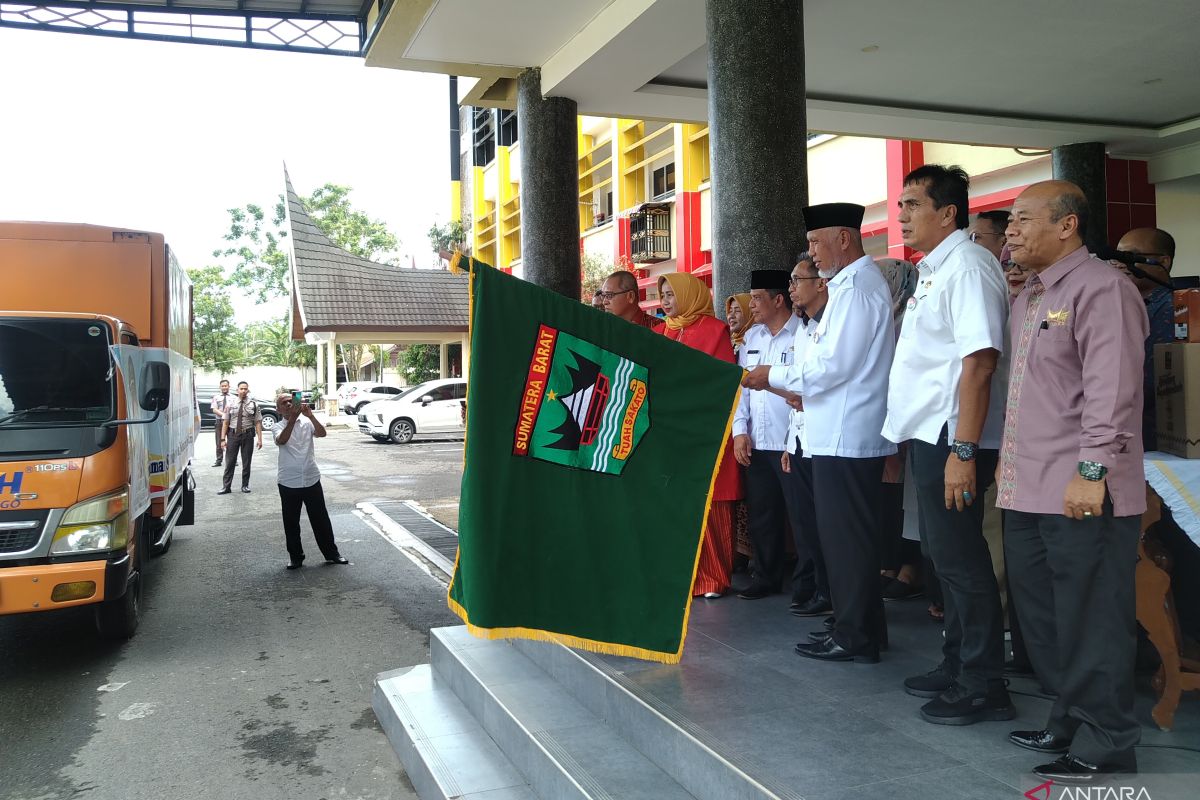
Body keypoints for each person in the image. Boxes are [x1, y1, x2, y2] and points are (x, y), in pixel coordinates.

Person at [999, 180, 1146, 784]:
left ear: (1067, 226)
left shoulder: (1103, 288)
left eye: (1023, 218)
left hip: (1081, 490)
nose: (1010, 229)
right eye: (1008, 219)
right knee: (1045, 617)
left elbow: (1111, 390)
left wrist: (1092, 471)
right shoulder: (1030, 294)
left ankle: (1109, 736)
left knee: (1093, 615)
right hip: (1026, 486)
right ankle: (1067, 717)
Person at [883, 164, 1013, 726]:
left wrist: (964, 451)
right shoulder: (934, 269)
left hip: (955, 438)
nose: (902, 216)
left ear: (948, 213)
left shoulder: (969, 267)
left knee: (962, 561)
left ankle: (984, 683)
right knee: (944, 557)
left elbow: (979, 363)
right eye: (902, 205)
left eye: (913, 205)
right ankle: (958, 661)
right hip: (932, 435)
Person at [744, 202, 896, 663]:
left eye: (815, 242)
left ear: (844, 239)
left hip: (848, 433)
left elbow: (832, 366)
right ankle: (859, 627)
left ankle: (856, 635)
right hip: (833, 431)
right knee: (843, 538)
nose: (811, 251)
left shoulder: (857, 290)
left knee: (849, 539)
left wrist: (773, 375)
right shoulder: (849, 288)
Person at [658, 272, 743, 598]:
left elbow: (723, 381)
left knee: (712, 506)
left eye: (670, 294)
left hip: (706, 431)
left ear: (690, 294)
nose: (665, 301)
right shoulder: (662, 331)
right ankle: (684, 577)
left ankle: (714, 579)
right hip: (672, 434)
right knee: (678, 507)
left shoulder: (715, 330)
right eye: (662, 295)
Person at [733, 270, 809, 604]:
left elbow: (805, 388)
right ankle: (766, 576)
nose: (752, 305)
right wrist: (739, 432)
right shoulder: (752, 339)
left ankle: (809, 584)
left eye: (758, 298)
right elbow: (741, 389)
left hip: (792, 440)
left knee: (802, 514)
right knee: (762, 513)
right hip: (757, 440)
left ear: (779, 299)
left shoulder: (803, 335)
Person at [779, 254, 832, 619]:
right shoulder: (804, 325)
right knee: (807, 525)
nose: (792, 288)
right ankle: (821, 590)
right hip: (800, 439)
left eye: (798, 280)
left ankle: (832, 596)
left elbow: (825, 376)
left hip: (826, 439)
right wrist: (787, 442)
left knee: (828, 527)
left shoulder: (832, 322)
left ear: (821, 284)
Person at [874, 258, 925, 603]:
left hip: (911, 424)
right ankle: (889, 563)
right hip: (885, 421)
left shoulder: (911, 317)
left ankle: (911, 568)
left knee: (911, 500)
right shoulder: (884, 317)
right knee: (889, 499)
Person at [1111, 227, 1176, 452]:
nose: (1120, 263)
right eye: (1118, 255)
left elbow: (1152, 381)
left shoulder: (1177, 309)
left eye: (1130, 256)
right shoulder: (1117, 306)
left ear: (1163, 262)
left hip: (1157, 440)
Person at [272, 393, 349, 569]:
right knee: (291, 522)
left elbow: (322, 433)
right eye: (284, 403)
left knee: (321, 519)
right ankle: (296, 557)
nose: (289, 404)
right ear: (278, 409)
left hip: (311, 478)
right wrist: (292, 420)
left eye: (292, 401)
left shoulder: (307, 422)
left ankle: (332, 553)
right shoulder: (277, 426)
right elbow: (281, 440)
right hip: (288, 481)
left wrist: (311, 416)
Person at [219, 381, 262, 495]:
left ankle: (245, 485)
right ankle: (226, 487)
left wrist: (260, 439)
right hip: (233, 435)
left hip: (248, 435)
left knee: (247, 462)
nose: (243, 390)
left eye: (245, 389)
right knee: (230, 462)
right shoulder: (230, 404)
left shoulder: (254, 404)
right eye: (241, 388)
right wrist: (223, 439)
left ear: (248, 390)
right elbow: (225, 422)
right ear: (237, 390)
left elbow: (257, 422)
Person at [210, 379, 233, 467]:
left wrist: (228, 416)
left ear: (229, 386)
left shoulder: (233, 397)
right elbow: (214, 409)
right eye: (222, 386)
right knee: (219, 441)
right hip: (220, 422)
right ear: (220, 387)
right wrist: (224, 415)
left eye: (226, 386)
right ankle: (219, 460)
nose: (224, 387)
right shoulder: (216, 397)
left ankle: (232, 459)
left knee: (231, 441)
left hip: (231, 422)